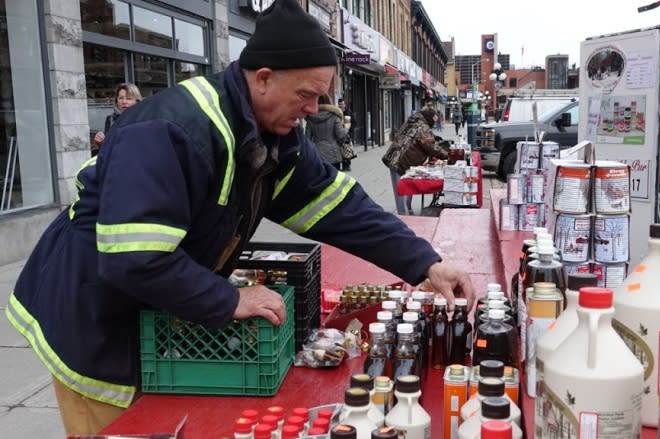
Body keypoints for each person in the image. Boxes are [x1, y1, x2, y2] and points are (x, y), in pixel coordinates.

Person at [4, 0, 475, 435]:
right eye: (307, 95)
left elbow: (340, 206)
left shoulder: (275, 132)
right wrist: (229, 300)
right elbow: (135, 259)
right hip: (94, 324)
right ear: (263, 77)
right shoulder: (169, 131)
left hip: (153, 317)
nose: (315, 110)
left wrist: (425, 264)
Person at [382, 108, 449, 215]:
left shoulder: (414, 121)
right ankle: (403, 216)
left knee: (406, 189)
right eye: (434, 121)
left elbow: (421, 139)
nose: (434, 124)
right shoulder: (422, 127)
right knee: (402, 192)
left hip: (400, 159)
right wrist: (448, 155)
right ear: (429, 118)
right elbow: (430, 146)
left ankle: (408, 211)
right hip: (400, 161)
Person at [92, 83, 142, 156]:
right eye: (121, 98)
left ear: (137, 101)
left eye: (129, 98)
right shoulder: (110, 119)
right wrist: (101, 143)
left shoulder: (144, 119)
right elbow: (106, 152)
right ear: (116, 100)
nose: (124, 102)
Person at [306, 94, 349, 170]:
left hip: (317, 155)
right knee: (335, 180)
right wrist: (346, 128)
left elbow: (307, 140)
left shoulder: (310, 118)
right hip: (333, 155)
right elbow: (341, 136)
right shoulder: (334, 116)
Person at [337, 98, 354, 171]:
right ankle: (343, 165)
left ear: (345, 105)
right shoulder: (337, 112)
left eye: (342, 104)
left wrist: (349, 129)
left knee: (347, 149)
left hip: (347, 134)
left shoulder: (348, 112)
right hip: (340, 133)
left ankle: (347, 165)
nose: (341, 105)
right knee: (341, 150)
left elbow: (354, 122)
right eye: (340, 104)